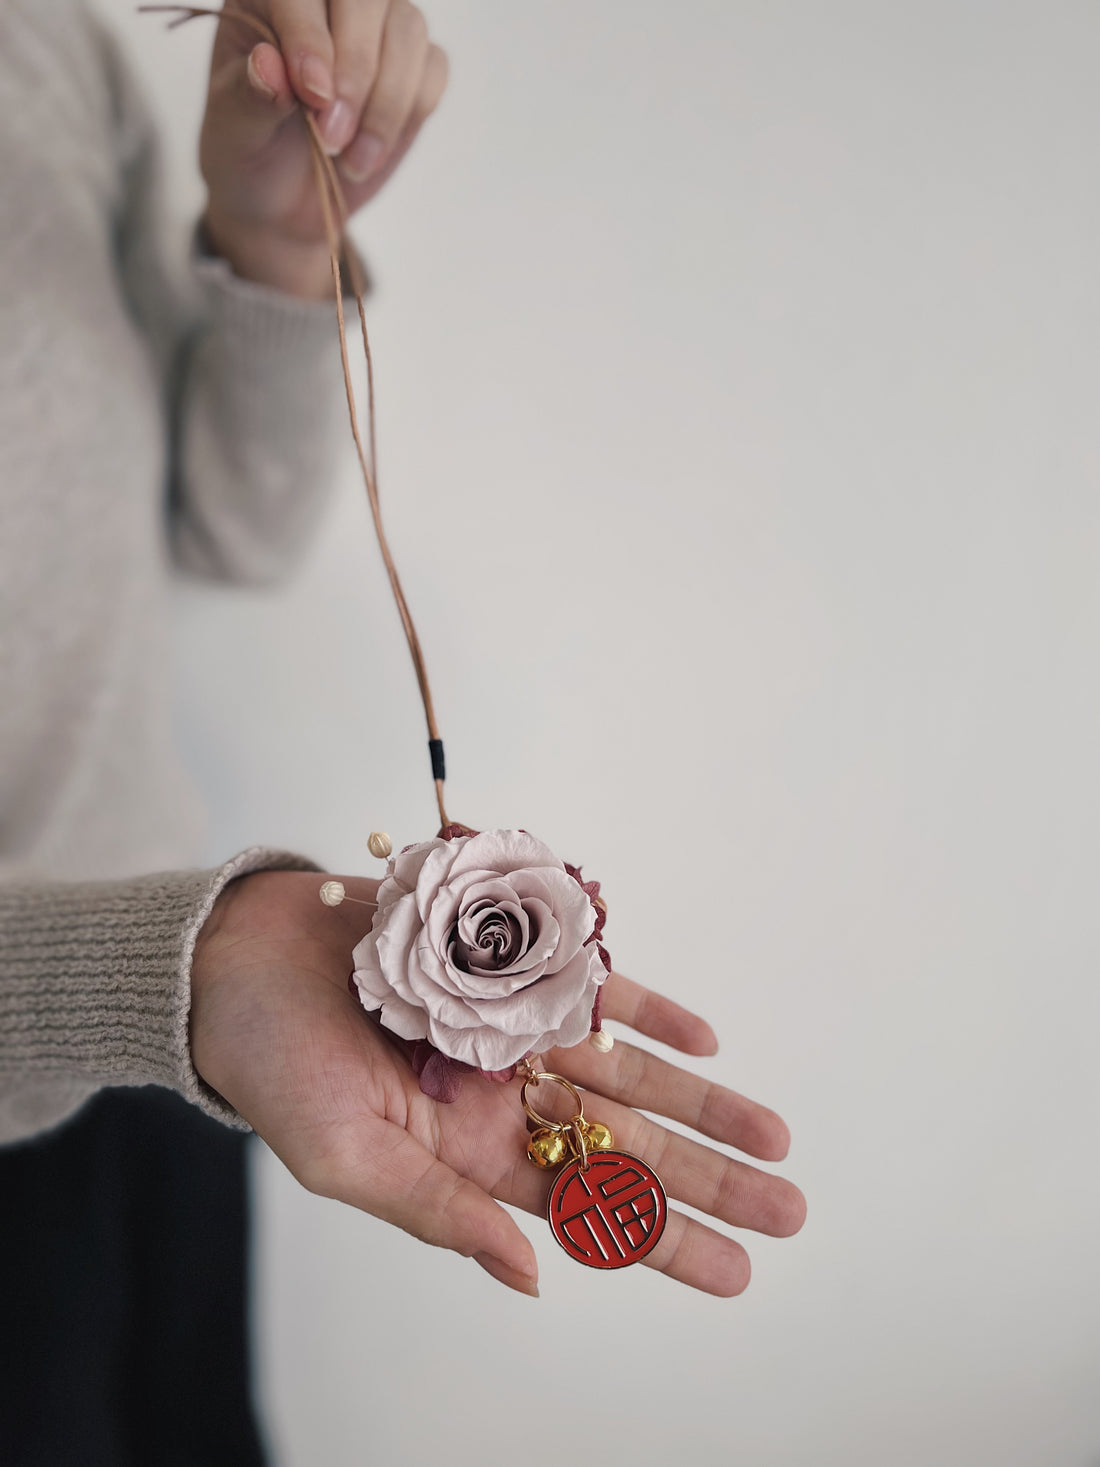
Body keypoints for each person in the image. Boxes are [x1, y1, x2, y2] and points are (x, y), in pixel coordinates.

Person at [0, 1, 806, 1461]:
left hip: (187, 1055)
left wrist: (277, 239)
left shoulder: (42, 50)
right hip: (146, 1003)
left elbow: (227, 522)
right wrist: (174, 974)